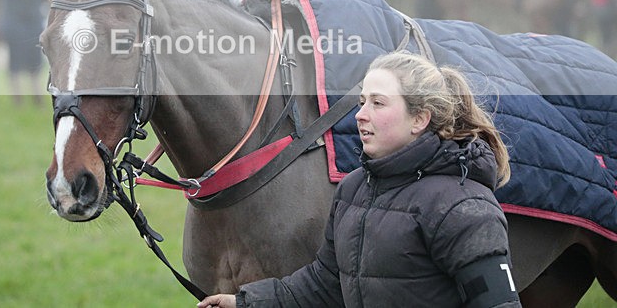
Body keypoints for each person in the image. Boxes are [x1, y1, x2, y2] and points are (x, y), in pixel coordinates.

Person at [198, 52, 521, 308]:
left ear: (419, 119)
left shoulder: (464, 207)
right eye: (362, 101)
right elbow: (326, 284)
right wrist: (245, 302)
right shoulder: (354, 188)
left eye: (378, 103)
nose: (361, 114)